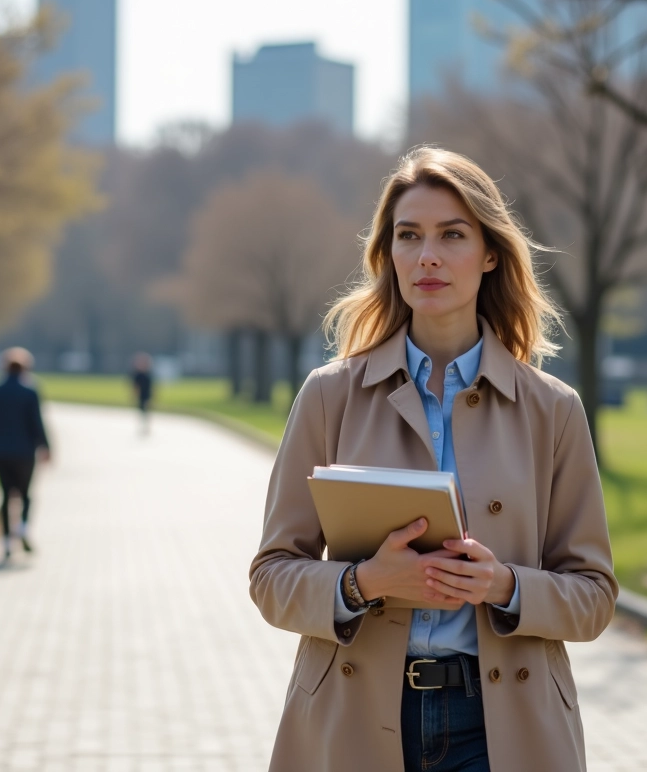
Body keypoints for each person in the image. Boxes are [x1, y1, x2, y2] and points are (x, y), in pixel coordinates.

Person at [249, 147, 617, 771]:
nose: (428, 256)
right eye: (409, 235)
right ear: (388, 255)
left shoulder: (553, 409)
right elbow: (271, 576)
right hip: (354, 717)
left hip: (501, 728)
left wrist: (503, 585)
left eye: (453, 235)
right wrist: (362, 582)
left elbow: (595, 595)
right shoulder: (329, 395)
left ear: (491, 252)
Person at [0, 347, 50, 560]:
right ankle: (22, 528)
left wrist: (0, 430)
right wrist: (45, 446)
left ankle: (5, 541)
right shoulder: (31, 391)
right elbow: (37, 423)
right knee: (25, 494)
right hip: (25, 452)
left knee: (4, 495)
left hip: (1, 451)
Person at [130, 352, 154, 434]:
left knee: (146, 411)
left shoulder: (148, 374)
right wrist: (134, 395)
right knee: (142, 411)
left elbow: (152, 386)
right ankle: (143, 426)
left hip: (147, 394)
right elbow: (136, 386)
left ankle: (146, 426)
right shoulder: (138, 375)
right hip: (141, 395)